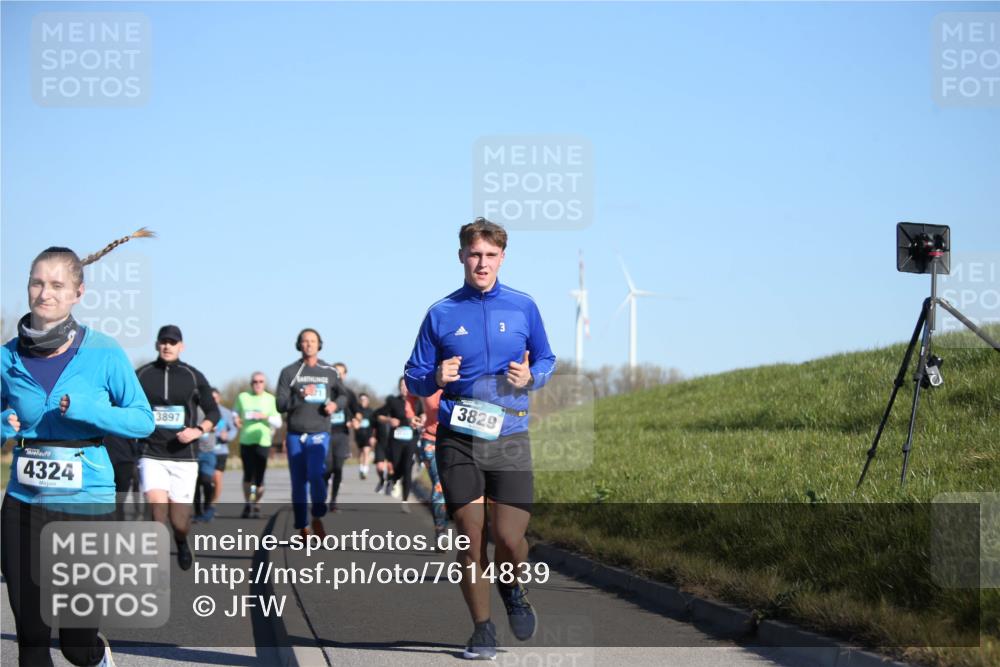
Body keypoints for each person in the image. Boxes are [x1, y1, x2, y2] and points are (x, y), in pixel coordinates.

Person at [1, 233, 155, 667]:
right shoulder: (6, 357)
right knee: (31, 638)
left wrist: (89, 409)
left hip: (86, 504)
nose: (44, 293)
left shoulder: (104, 352)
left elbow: (141, 418)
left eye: (56, 285)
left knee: (75, 642)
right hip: (23, 503)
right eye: (36, 283)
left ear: (77, 293)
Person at [404, 218, 556, 659]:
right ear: (461, 257)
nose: (482, 263)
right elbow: (412, 377)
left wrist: (532, 375)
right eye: (475, 254)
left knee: (509, 538)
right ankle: (482, 628)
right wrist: (433, 375)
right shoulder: (441, 313)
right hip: (458, 439)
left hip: (509, 434)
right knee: (469, 535)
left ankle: (511, 586)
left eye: (490, 255)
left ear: (502, 258)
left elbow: (546, 357)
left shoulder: (523, 306)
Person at [136, 324, 220, 570]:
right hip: (151, 453)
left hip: (184, 457)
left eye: (172, 342)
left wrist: (197, 430)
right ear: (156, 345)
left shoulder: (193, 376)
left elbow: (213, 412)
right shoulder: (142, 374)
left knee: (180, 522)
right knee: (157, 506)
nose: (167, 346)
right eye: (163, 342)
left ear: (181, 347)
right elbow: (124, 404)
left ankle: (181, 541)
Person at [276, 329, 347, 537]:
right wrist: (299, 395)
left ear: (319, 344)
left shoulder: (329, 371)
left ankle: (317, 513)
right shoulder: (289, 372)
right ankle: (303, 525)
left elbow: (343, 397)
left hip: (319, 432)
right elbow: (280, 404)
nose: (308, 345)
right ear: (299, 345)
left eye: (313, 341)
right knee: (298, 482)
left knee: (316, 474)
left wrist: (335, 405)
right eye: (305, 341)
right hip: (296, 433)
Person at [232, 372, 281, 518]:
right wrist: (235, 419)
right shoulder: (243, 397)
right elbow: (234, 412)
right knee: (247, 475)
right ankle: (248, 503)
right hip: (246, 440)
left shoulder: (270, 399)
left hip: (263, 441)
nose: (258, 384)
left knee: (259, 477)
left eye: (261, 381)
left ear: (264, 384)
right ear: (251, 383)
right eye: (255, 381)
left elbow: (278, 422)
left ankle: (258, 504)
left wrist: (265, 417)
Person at [408, 388, 448, 545]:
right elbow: (410, 394)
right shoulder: (428, 378)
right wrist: (411, 416)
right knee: (439, 485)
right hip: (431, 439)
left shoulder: (464, 374)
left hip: (460, 440)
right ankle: (440, 531)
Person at [379, 377, 422, 511]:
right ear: (399, 387)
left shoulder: (417, 402)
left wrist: (421, 420)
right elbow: (379, 415)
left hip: (411, 439)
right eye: (402, 386)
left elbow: (424, 415)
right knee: (397, 466)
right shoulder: (393, 401)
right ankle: (392, 479)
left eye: (407, 386)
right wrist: (389, 420)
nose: (405, 388)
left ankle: (405, 500)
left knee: (407, 468)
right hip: (396, 440)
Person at [326, 362, 360, 511]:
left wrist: (355, 421)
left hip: (342, 435)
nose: (338, 376)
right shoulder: (325, 391)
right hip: (325, 434)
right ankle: (321, 497)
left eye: (341, 373)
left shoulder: (348, 393)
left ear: (345, 375)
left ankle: (333, 500)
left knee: (338, 468)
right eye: (335, 372)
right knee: (326, 468)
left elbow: (357, 412)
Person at [209, 388, 239, 507]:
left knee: (217, 476)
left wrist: (227, 436)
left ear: (219, 398)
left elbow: (233, 429)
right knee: (205, 479)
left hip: (221, 450)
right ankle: (204, 503)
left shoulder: (226, 413)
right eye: (211, 398)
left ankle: (213, 503)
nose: (213, 400)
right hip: (205, 450)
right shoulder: (201, 411)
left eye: (215, 398)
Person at [354, 392, 375, 479]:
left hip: (368, 434)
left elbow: (374, 425)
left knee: (366, 451)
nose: (363, 401)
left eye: (364, 399)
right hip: (359, 434)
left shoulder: (371, 411)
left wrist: (373, 436)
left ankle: (365, 471)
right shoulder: (356, 410)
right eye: (361, 399)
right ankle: (361, 468)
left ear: (368, 400)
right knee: (361, 453)